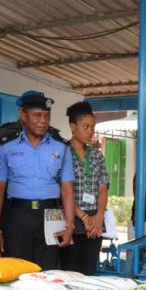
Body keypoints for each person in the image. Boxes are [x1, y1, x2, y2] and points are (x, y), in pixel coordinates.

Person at [0, 91, 75, 269]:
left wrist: (69, 226)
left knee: (48, 269)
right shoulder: (6, 146)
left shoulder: (61, 147)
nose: (43, 121)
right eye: (37, 115)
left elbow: (67, 190)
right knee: (17, 269)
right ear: (23, 115)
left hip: (51, 215)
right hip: (17, 216)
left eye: (47, 116)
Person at [59, 101, 109, 275]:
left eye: (93, 127)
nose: (90, 132)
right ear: (73, 127)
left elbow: (103, 187)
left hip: (94, 224)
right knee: (70, 273)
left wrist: (98, 217)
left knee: (89, 272)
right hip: (72, 220)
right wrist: (84, 217)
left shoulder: (97, 155)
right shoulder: (62, 152)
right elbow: (63, 191)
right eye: (85, 126)